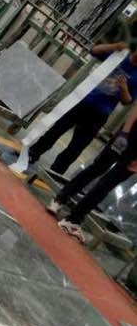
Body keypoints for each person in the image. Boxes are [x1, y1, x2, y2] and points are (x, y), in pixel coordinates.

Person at [27, 39, 137, 177]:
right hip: (83, 100)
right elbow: (94, 50)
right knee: (56, 130)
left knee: (76, 147)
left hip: (100, 113)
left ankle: (55, 172)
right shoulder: (119, 57)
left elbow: (127, 101)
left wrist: (123, 88)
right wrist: (114, 45)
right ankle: (33, 153)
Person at [48, 102, 137, 241]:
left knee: (102, 177)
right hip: (130, 139)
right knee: (101, 175)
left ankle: (67, 210)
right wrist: (125, 133)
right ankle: (66, 209)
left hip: (129, 140)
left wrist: (124, 133)